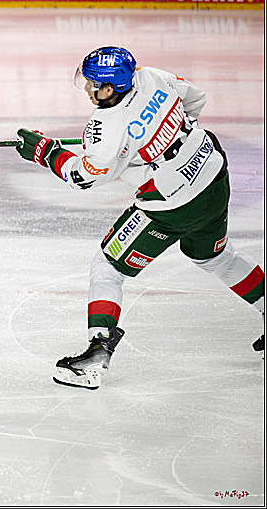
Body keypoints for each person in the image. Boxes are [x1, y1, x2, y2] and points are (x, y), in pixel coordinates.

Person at [16, 46, 264, 390]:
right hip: (213, 176)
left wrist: (47, 153)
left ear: (110, 88)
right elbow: (196, 101)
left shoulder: (104, 127)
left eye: (93, 84)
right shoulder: (151, 76)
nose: (87, 89)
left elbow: (85, 177)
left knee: (108, 267)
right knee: (214, 256)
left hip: (172, 206)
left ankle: (96, 355)